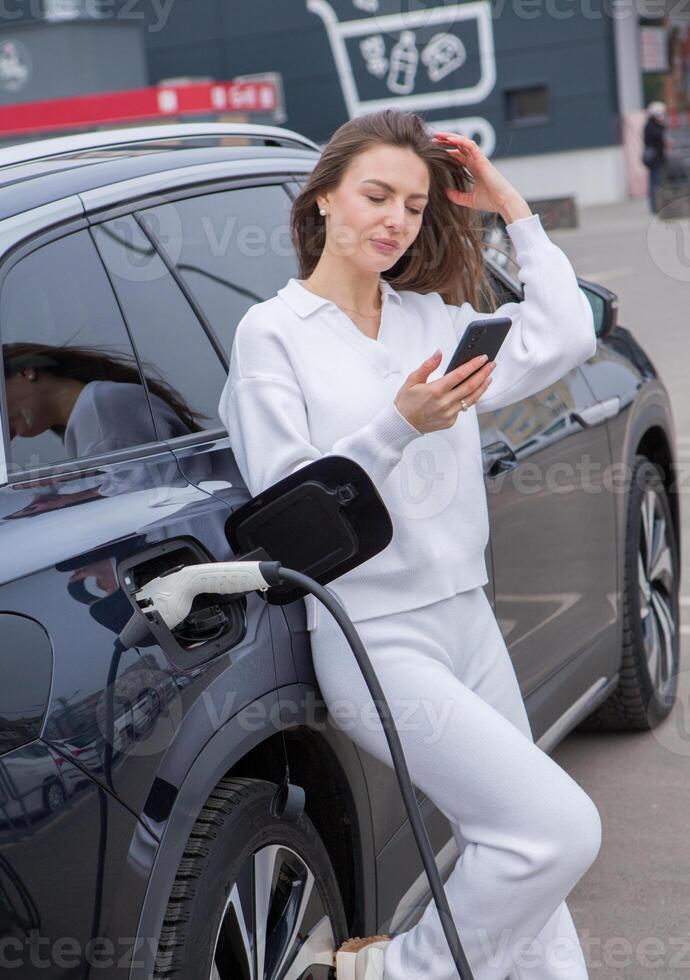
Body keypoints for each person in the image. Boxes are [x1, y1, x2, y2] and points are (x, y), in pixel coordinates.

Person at [218, 109, 602, 980]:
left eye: (416, 204)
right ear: (322, 200)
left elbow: (569, 334)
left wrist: (509, 205)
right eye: (376, 195)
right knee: (557, 830)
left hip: (467, 616)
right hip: (376, 637)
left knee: (520, 857)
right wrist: (398, 425)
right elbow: (290, 498)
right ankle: (392, 972)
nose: (395, 219)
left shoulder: (430, 318)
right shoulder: (272, 334)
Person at [643, 101, 670, 214]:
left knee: (657, 182)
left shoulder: (652, 125)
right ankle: (655, 206)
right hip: (655, 160)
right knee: (655, 183)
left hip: (658, 158)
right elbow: (658, 136)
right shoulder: (651, 126)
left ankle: (658, 205)